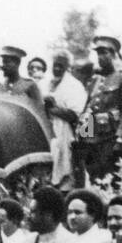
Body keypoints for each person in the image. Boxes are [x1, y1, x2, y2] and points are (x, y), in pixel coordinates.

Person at [72, 36, 122, 188]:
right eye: (98, 53)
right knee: (95, 180)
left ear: (114, 55)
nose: (100, 57)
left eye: (104, 53)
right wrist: (82, 136)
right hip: (92, 139)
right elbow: (88, 109)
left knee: (112, 180)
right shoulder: (95, 81)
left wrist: (121, 139)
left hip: (110, 138)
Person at [44, 51, 87, 189]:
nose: (57, 69)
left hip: (65, 133)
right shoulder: (47, 83)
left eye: (61, 66)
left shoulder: (74, 85)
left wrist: (52, 109)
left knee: (65, 174)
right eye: (55, 65)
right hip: (49, 132)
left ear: (67, 67)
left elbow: (75, 114)